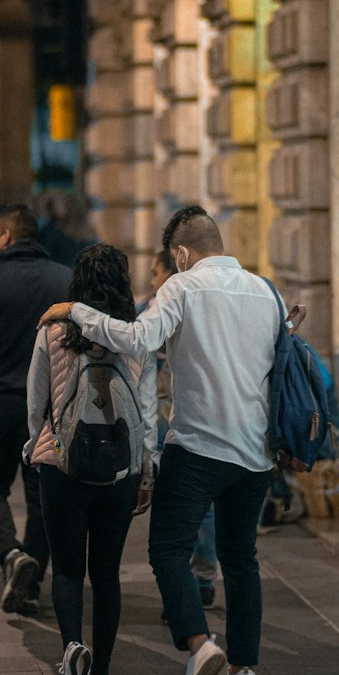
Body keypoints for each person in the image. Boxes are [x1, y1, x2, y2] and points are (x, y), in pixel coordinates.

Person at [39, 204, 283, 675]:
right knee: (241, 560)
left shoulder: (182, 286)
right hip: (256, 451)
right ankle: (242, 673)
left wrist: (75, 311)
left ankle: (199, 646)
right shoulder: (266, 291)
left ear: (181, 253)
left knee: (168, 551)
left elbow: (139, 339)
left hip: (198, 446)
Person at [26, 244, 157, 675]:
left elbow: (36, 401)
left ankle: (70, 650)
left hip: (62, 466)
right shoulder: (135, 336)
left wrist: (40, 447)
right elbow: (147, 409)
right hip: (119, 468)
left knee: (66, 570)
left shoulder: (53, 328)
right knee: (106, 574)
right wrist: (145, 469)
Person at [0, 202, 72, 614]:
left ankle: (10, 555)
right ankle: (33, 578)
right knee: (43, 495)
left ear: (5, 237)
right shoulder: (65, 278)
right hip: (50, 406)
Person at [145, 248, 218, 612]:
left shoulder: (160, 308)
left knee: (174, 509)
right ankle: (203, 578)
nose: (152, 281)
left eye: (155, 273)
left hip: (167, 416)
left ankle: (184, 590)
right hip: (206, 417)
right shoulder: (207, 306)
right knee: (203, 506)